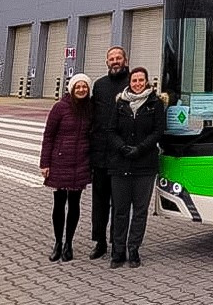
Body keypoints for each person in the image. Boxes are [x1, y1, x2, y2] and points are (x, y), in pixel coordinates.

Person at [107, 66, 165, 268]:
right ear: (129, 83)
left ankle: (134, 250)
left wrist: (140, 149)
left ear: (147, 82)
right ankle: (118, 251)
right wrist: (122, 148)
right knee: (120, 211)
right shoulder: (120, 103)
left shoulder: (154, 104)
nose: (138, 84)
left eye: (141, 80)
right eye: (134, 81)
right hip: (120, 164)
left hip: (144, 165)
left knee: (140, 211)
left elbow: (158, 131)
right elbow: (111, 130)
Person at [39, 73, 93, 262]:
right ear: (71, 89)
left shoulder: (90, 108)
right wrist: (44, 163)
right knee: (59, 204)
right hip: (60, 161)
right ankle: (58, 243)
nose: (81, 90)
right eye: (78, 87)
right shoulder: (60, 107)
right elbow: (49, 136)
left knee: (75, 204)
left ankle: (69, 243)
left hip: (81, 162)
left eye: (84, 87)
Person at [88, 46, 131, 260]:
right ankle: (100, 241)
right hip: (100, 156)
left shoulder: (133, 83)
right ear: (107, 62)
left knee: (120, 203)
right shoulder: (99, 85)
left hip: (122, 155)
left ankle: (118, 242)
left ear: (126, 60)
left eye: (118, 58)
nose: (115, 61)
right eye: (111, 59)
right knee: (100, 201)